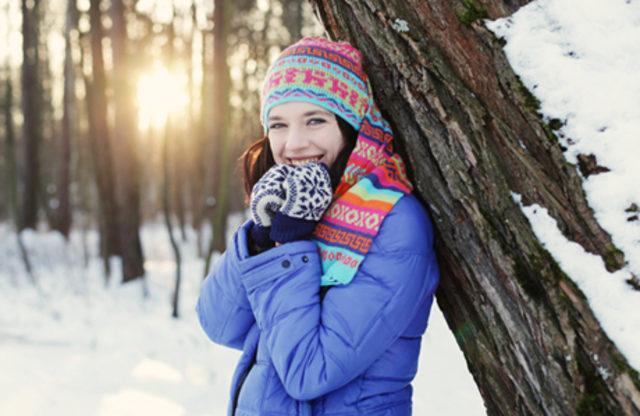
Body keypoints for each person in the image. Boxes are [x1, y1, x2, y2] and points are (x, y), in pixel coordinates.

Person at [196, 36, 440, 416]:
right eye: (278, 124)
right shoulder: (299, 205)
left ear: (350, 125)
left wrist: (289, 247)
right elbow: (220, 323)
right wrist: (262, 239)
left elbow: (310, 372)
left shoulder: (394, 221)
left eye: (315, 120)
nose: (293, 144)